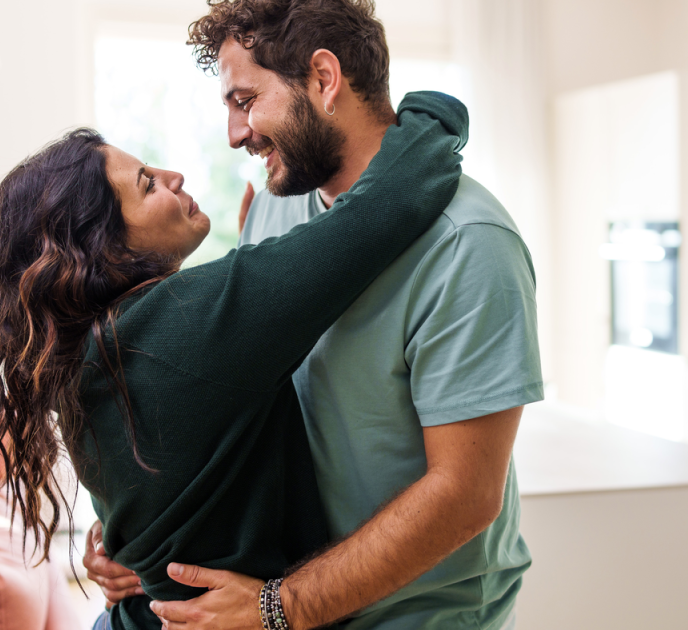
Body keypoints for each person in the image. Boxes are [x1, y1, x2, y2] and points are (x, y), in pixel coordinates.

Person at [86, 1, 542, 629]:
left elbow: (465, 494)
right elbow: (233, 390)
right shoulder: (279, 204)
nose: (235, 134)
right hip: (296, 597)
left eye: (245, 100)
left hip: (414, 613)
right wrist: (140, 528)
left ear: (324, 80)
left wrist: (283, 606)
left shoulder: (470, 243)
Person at [0, 91, 468, 630]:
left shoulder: (84, 352)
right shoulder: (184, 327)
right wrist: (427, 109)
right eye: (147, 184)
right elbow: (392, 201)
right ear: (105, 249)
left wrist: (116, 546)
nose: (174, 176)